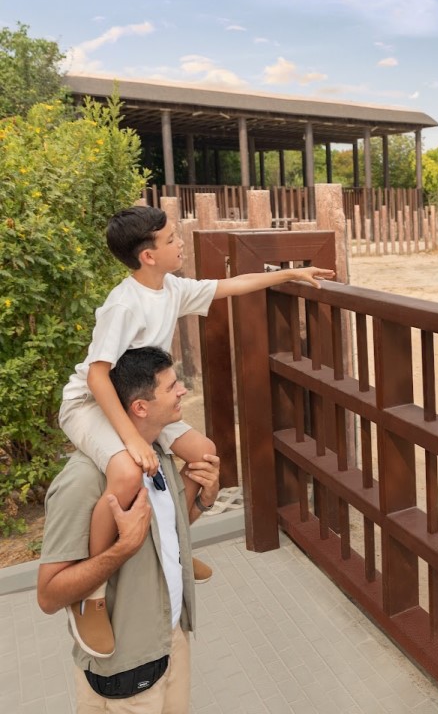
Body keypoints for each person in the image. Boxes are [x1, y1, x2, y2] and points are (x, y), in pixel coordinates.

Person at [59, 205, 334, 657]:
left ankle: (176, 546)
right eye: (171, 240)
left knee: (205, 453)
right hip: (94, 404)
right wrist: (130, 439)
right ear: (147, 255)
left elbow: (228, 286)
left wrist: (288, 276)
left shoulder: (170, 289)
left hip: (142, 404)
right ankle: (89, 597)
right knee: (128, 473)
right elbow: (96, 376)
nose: (179, 242)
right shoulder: (123, 304)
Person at [38, 347, 220, 711]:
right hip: (123, 672)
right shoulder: (83, 481)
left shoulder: (160, 455)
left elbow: (163, 535)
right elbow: (49, 595)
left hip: (170, 641)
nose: (182, 391)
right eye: (171, 387)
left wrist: (202, 501)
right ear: (140, 407)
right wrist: (123, 548)